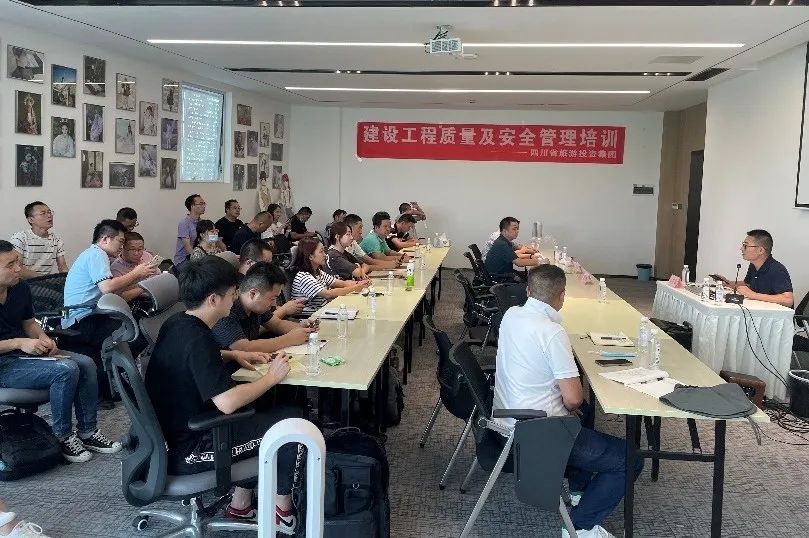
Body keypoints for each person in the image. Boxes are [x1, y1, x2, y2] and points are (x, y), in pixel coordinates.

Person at [145, 256, 300, 531]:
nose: (234, 300)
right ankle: (281, 513)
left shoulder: (177, 322)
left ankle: (241, 505)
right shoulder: (199, 339)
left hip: (174, 435)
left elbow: (192, 356)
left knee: (266, 407)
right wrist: (272, 377)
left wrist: (232, 354)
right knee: (292, 427)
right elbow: (228, 402)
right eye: (231, 295)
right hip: (192, 449)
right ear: (214, 299)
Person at [493, 265, 642, 538]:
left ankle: (578, 490)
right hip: (538, 432)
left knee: (584, 413)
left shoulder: (511, 315)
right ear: (562, 296)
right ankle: (579, 527)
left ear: (527, 290)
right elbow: (573, 399)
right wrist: (571, 405)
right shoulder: (551, 332)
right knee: (630, 458)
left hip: (507, 419)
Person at [0, 240, 122, 465]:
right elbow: (20, 339)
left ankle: (87, 431)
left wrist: (43, 338)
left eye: (18, 262)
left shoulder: (20, 288)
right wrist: (19, 342)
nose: (18, 269)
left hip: (24, 354)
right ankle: (62, 435)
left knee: (86, 363)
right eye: (10, 265)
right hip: (4, 364)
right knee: (65, 369)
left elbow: (29, 323)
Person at [61, 220, 155, 402]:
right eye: (120, 241)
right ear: (105, 239)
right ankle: (118, 377)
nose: (121, 246)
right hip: (82, 320)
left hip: (84, 317)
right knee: (135, 336)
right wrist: (137, 273)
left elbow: (113, 290)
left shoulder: (93, 254)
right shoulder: (97, 254)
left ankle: (107, 388)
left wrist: (139, 280)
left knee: (125, 336)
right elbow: (107, 288)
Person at [213, 262, 311, 355]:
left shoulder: (257, 306)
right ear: (253, 294)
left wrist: (305, 330)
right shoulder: (227, 308)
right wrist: (289, 339)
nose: (274, 304)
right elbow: (243, 347)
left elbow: (277, 324)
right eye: (272, 298)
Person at [713, 229, 794, 307]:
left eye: (745, 245)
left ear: (760, 250)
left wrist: (753, 295)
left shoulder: (777, 269)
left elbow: (788, 300)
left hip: (774, 315)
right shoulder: (753, 265)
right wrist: (727, 283)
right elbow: (747, 285)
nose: (741, 249)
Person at [291, 239, 369, 316]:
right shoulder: (304, 277)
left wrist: (360, 283)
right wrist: (356, 287)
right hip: (308, 317)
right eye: (321, 252)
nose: (325, 255)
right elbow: (328, 294)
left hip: (321, 311)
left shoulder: (318, 272)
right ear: (310, 256)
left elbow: (342, 283)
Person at [10, 201, 68, 279]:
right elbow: (17, 268)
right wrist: (44, 278)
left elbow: (63, 267)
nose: (49, 215)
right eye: (43, 213)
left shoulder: (56, 240)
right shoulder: (20, 238)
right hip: (23, 282)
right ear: (31, 219)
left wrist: (70, 282)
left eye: (49, 212)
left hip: (44, 283)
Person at [174, 195, 225, 267]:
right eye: (201, 204)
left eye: (204, 204)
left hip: (203, 256)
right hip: (185, 260)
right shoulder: (184, 223)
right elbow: (188, 249)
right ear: (192, 206)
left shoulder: (203, 223)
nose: (204, 206)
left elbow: (213, 241)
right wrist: (203, 260)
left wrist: (221, 250)